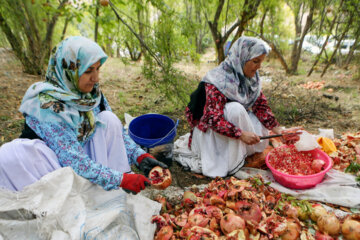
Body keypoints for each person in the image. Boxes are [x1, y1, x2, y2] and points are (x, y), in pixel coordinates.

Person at [0, 36, 167, 193]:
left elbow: (117, 133)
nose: (95, 78)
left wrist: (140, 156)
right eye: (88, 71)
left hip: (78, 156)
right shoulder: (47, 104)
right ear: (69, 70)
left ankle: (104, 192)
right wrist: (120, 179)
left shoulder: (90, 95)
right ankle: (79, 196)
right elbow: (72, 160)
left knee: (108, 119)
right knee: (16, 152)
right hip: (49, 167)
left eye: (97, 69)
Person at [181, 36, 293, 178]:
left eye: (261, 62)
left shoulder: (252, 78)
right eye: (255, 61)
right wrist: (240, 134)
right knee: (235, 109)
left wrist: (279, 130)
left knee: (257, 118)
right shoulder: (218, 79)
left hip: (232, 126)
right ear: (241, 58)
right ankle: (229, 160)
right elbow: (212, 118)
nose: (259, 67)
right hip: (211, 131)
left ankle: (242, 151)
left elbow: (261, 107)